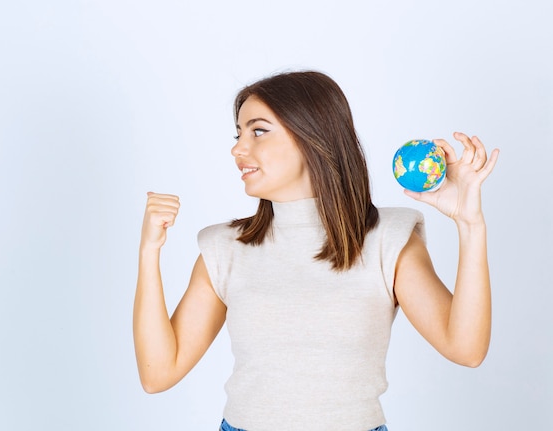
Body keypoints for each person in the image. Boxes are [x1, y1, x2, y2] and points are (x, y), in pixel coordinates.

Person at [133, 71, 499, 431]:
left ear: (312, 136)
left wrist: (470, 224)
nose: (238, 149)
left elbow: (465, 349)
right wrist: (149, 252)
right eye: (239, 133)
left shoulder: (388, 238)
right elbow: (159, 374)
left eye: (258, 131)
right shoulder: (225, 247)